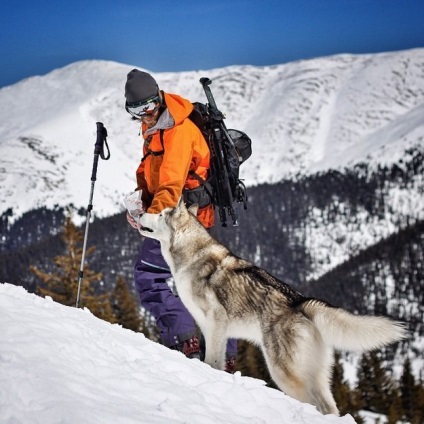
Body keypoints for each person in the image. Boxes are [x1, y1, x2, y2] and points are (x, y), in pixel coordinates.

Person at [124, 69, 237, 371]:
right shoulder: (157, 126)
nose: (144, 115)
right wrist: (140, 200)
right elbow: (151, 172)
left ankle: (185, 341)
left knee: (151, 276)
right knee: (203, 281)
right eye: (136, 110)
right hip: (184, 215)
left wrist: (150, 220)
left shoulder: (176, 130)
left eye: (148, 106)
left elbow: (171, 185)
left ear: (159, 97)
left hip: (183, 218)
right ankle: (222, 351)